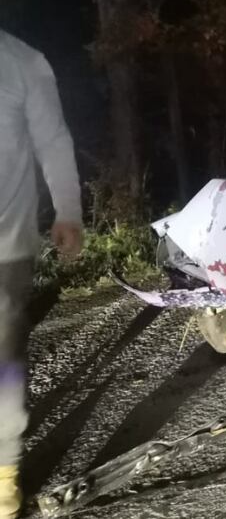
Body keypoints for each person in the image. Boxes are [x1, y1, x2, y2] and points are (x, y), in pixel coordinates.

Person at [0, 29, 83, 518]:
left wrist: (67, 210)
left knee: (3, 362)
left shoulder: (23, 61)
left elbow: (53, 140)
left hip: (4, 248)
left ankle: (3, 474)